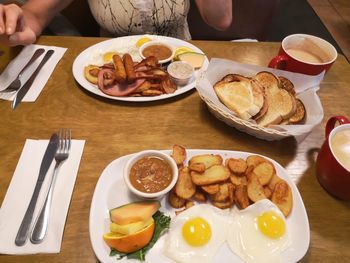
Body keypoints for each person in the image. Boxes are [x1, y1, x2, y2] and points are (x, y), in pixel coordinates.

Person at [0, 0, 232, 46]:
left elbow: (221, 19)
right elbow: (36, 15)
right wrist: (16, 24)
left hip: (182, 70)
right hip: (112, 75)